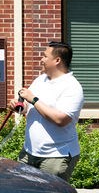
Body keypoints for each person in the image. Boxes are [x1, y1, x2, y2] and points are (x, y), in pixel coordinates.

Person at [17, 41, 84, 181]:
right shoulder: (40, 80)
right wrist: (21, 107)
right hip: (29, 152)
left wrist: (34, 99)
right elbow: (30, 107)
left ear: (57, 60)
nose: (41, 60)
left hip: (56, 156)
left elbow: (60, 119)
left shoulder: (72, 87)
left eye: (45, 56)